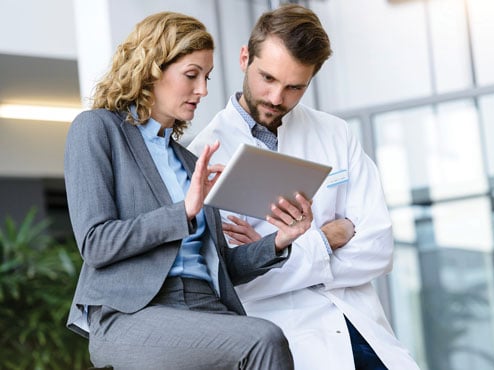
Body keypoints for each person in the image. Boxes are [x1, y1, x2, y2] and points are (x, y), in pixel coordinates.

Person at [63, 11, 314, 370]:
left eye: (207, 77)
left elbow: (222, 265)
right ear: (151, 68)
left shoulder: (188, 158)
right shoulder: (98, 129)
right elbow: (96, 243)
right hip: (133, 313)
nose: (203, 91)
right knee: (264, 339)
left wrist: (281, 240)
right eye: (191, 75)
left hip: (206, 306)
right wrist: (183, 211)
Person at [187, 4, 420, 370]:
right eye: (267, 78)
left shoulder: (335, 133)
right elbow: (237, 283)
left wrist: (272, 254)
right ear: (245, 57)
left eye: (295, 86)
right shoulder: (203, 155)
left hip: (364, 330)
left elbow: (377, 248)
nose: (277, 98)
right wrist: (327, 239)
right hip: (292, 343)